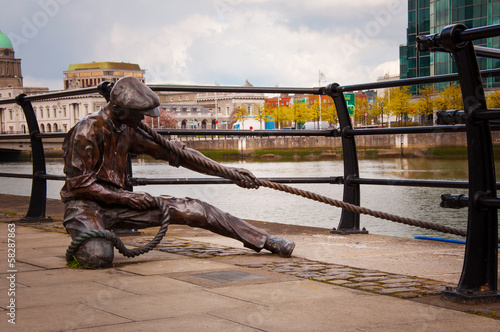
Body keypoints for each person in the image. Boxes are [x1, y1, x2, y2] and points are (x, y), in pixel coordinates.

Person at [61, 76, 295, 268]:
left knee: (196, 209)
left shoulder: (128, 128)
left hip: (122, 205)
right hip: (85, 207)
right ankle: (90, 235)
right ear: (120, 109)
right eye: (140, 113)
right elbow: (80, 185)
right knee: (98, 257)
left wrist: (229, 172)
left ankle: (265, 240)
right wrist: (127, 196)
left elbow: (178, 154)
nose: (144, 118)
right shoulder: (87, 131)